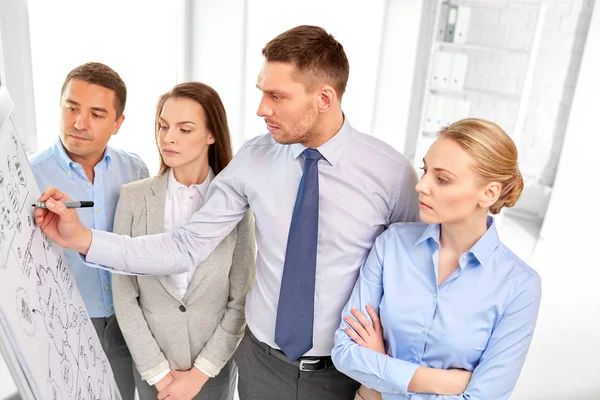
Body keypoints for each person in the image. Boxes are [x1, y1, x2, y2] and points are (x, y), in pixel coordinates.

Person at [34, 25, 420, 400]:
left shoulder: (390, 173)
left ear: (324, 97)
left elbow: (408, 282)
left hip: (345, 372)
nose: (260, 108)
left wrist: (382, 377)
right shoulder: (255, 158)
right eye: (260, 92)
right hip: (260, 366)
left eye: (277, 96)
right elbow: (184, 246)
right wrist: (83, 239)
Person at [331, 118, 542, 400]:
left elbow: (483, 397)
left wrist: (383, 372)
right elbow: (345, 352)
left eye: (442, 179)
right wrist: (443, 382)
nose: (422, 186)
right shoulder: (392, 244)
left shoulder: (519, 286)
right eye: (425, 170)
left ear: (488, 193)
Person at [111, 82, 255, 400]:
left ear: (211, 134)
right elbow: (124, 295)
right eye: (163, 126)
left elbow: (240, 299)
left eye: (184, 129)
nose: (168, 137)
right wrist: (161, 376)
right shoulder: (133, 198)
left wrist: (201, 373)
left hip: (212, 372)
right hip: (152, 370)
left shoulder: (239, 207)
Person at [29, 62, 147, 400]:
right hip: (66, 325)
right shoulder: (30, 176)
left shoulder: (134, 168)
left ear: (117, 123)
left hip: (128, 318)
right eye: (71, 108)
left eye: (96, 113)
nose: (79, 123)